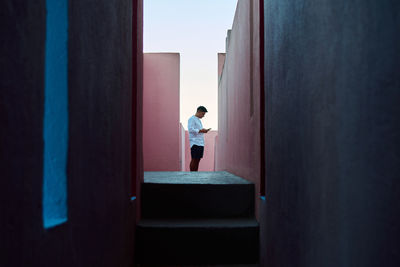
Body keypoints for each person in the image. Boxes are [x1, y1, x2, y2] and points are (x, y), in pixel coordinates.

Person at [188, 106, 211, 171]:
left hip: (200, 143)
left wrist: (204, 130)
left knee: (198, 159)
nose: (203, 116)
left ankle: (195, 174)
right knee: (194, 159)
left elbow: (198, 130)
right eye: (203, 114)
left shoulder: (198, 120)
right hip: (195, 142)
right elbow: (190, 129)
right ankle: (192, 174)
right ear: (199, 111)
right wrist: (201, 131)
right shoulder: (192, 119)